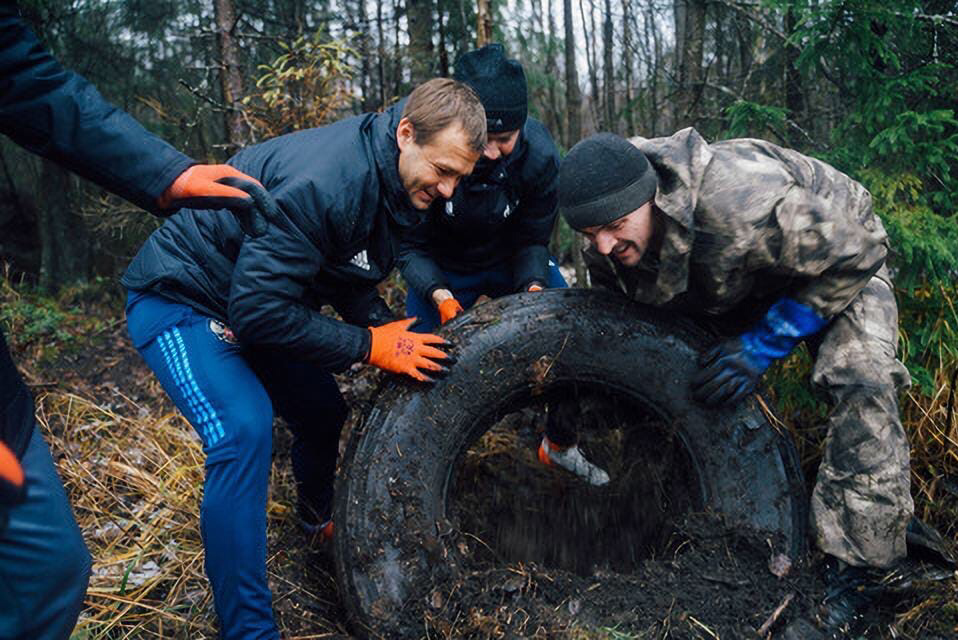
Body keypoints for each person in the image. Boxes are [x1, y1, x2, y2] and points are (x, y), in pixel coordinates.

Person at [121, 77, 485, 639]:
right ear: (406, 134)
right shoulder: (330, 180)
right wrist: (369, 346)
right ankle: (248, 630)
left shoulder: (392, 180)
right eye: (442, 171)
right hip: (182, 298)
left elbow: (341, 266)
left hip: (257, 299)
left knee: (320, 412)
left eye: (460, 176)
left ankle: (317, 524)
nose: (449, 191)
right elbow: (258, 313)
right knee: (242, 430)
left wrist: (380, 322)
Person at [557, 130, 913, 631]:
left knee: (863, 380)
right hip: (734, 278)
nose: (604, 245)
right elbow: (627, 339)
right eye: (590, 233)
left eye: (615, 226)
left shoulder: (740, 201)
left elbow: (861, 251)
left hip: (836, 259)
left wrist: (768, 341)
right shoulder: (606, 245)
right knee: (692, 380)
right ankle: (672, 521)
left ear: (651, 198)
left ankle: (864, 575)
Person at [0, 4, 279, 639]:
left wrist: (165, 171)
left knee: (51, 568)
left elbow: (32, 82)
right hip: (168, 301)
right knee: (242, 424)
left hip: (7, 417)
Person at [397, 44, 607, 486]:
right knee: (416, 363)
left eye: (504, 140)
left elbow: (534, 235)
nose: (491, 153)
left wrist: (532, 286)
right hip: (443, 269)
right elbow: (408, 244)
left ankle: (560, 444)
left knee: (567, 333)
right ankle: (419, 470)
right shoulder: (432, 151)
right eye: (482, 141)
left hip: (512, 260)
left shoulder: (542, 157)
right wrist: (438, 292)